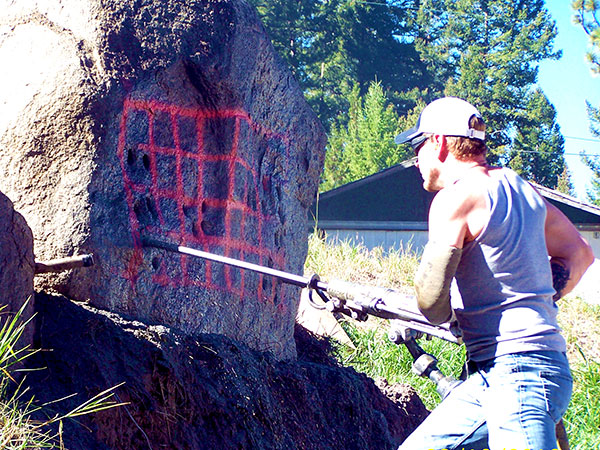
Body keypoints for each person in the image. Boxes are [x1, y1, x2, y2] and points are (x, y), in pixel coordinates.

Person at [394, 97, 595, 450]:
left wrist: (448, 318)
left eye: (418, 146)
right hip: (511, 373)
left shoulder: (455, 198)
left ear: (439, 142)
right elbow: (579, 254)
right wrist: (530, 296)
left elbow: (430, 299)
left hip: (518, 375)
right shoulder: (520, 189)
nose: (416, 160)